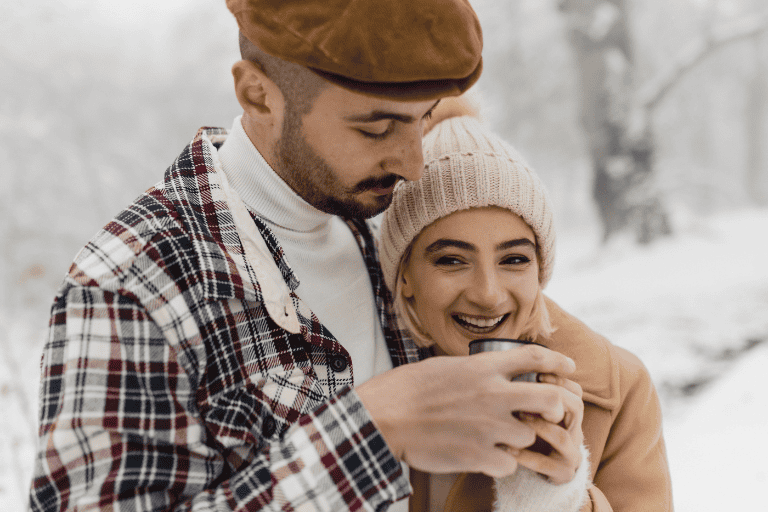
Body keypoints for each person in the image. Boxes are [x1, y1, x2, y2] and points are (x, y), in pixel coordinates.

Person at [28, 2, 582, 511]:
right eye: (377, 127)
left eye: (422, 119)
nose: (413, 163)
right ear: (258, 95)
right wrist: (372, 432)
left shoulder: (383, 227)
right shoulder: (132, 283)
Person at [379, 111, 674, 511]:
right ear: (406, 276)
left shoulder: (618, 389)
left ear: (540, 271)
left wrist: (559, 498)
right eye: (451, 260)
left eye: (514, 259)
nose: (488, 294)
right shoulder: (361, 377)